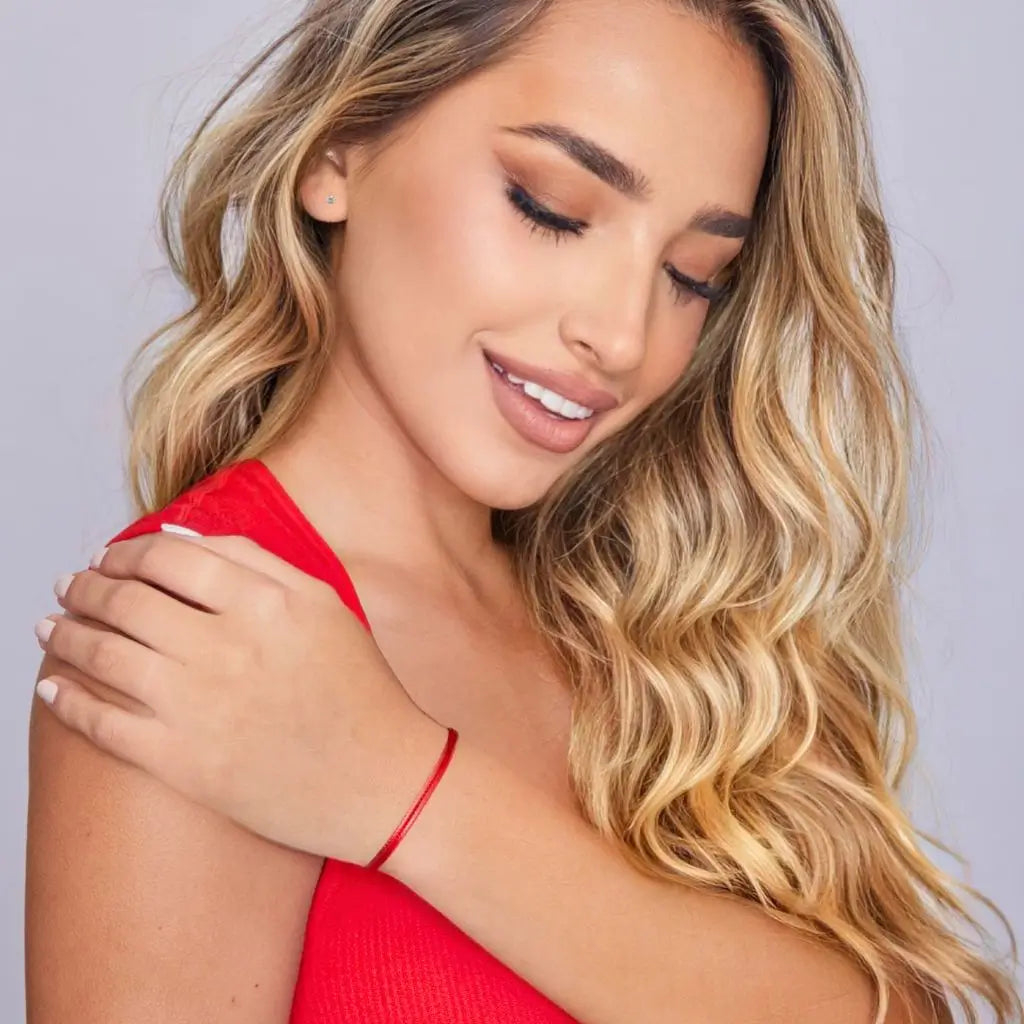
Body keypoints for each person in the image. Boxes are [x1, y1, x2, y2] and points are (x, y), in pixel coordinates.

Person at [23, 0, 1021, 1021]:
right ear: (338, 150)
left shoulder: (665, 623)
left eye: (692, 275)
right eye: (550, 206)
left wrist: (405, 791)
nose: (622, 335)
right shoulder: (196, 638)